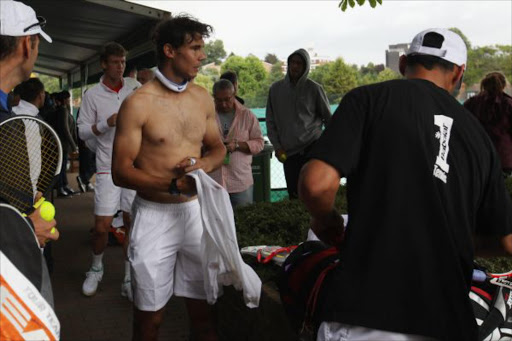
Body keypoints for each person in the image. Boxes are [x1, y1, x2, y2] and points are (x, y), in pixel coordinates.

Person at [298, 28, 512, 341]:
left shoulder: (367, 99)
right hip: (448, 321)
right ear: (459, 73)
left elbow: (317, 184)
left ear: (402, 63)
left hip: (363, 315)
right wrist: (452, 242)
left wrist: (325, 219)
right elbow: (507, 243)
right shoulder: (479, 137)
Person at [112, 15, 226, 341]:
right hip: (153, 215)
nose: (202, 56)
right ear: (170, 51)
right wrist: (172, 184)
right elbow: (121, 171)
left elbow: (219, 149)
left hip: (194, 214)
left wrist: (201, 165)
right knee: (149, 322)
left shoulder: (203, 97)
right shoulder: (138, 103)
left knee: (205, 318)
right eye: (195, 48)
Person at [0, 0, 59, 306]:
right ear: (27, 44)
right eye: (37, 45)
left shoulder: (5, 109)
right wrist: (24, 230)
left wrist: (25, 197)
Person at [77, 42, 140, 299]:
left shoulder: (134, 89)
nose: (120, 66)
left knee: (131, 223)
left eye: (123, 62)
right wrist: (106, 123)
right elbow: (81, 132)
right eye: (115, 62)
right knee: (102, 226)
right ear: (104, 64)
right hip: (106, 168)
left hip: (134, 167)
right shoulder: (92, 95)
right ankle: (95, 268)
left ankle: (128, 277)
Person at [265, 48, 331, 199]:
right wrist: (277, 146)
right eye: (292, 63)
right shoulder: (275, 90)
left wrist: (327, 148)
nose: (295, 66)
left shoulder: (314, 89)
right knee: (294, 195)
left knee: (315, 194)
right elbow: (270, 121)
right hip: (288, 154)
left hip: (313, 150)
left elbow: (329, 120)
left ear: (306, 66)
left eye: (299, 63)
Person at [209, 79, 264, 208]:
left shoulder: (247, 115)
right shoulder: (206, 115)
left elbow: (259, 143)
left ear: (234, 95)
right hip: (213, 181)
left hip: (240, 182)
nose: (223, 104)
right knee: (216, 224)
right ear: (214, 98)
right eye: (219, 100)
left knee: (243, 222)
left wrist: (238, 145)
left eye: (227, 99)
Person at [464, 72, 512, 175]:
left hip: (478, 156)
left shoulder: (472, 102)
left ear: (484, 84)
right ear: (503, 85)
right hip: (504, 158)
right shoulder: (508, 104)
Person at [52, 90, 78, 197]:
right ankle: (60, 188)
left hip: (64, 143)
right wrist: (73, 144)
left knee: (63, 166)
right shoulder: (62, 111)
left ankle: (64, 185)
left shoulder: (65, 110)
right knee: (61, 167)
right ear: (64, 100)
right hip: (63, 143)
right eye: (67, 98)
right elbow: (65, 129)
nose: (69, 100)